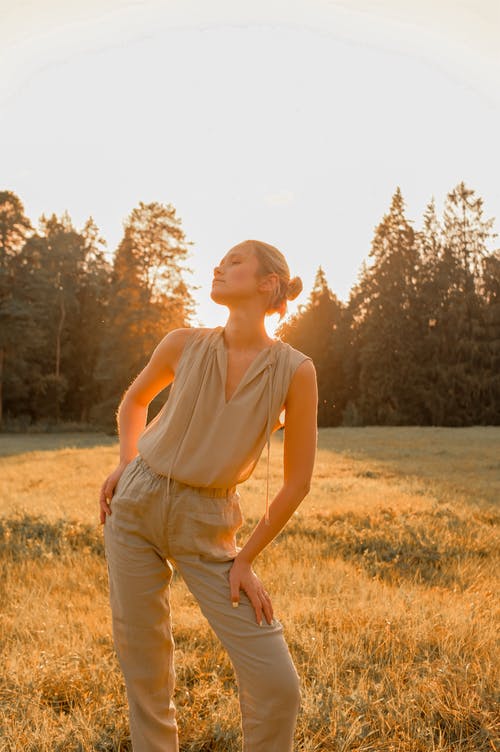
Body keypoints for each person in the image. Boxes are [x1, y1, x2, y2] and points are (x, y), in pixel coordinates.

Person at [99, 238, 318, 752]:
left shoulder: (295, 370)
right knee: (145, 664)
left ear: (268, 284)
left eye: (235, 261)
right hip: (134, 506)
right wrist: (126, 467)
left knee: (276, 682)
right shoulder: (182, 342)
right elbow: (134, 402)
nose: (219, 266)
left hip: (209, 520)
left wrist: (245, 558)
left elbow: (297, 482)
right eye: (220, 260)